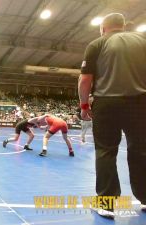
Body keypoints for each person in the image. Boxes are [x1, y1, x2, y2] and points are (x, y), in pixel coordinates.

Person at [79, 13, 146, 218]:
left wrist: (83, 105)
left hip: (107, 103)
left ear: (103, 28)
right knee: (142, 151)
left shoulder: (97, 44)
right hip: (140, 103)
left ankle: (106, 205)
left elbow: (85, 81)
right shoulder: (143, 40)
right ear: (123, 26)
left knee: (106, 151)